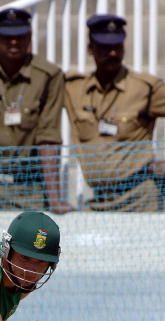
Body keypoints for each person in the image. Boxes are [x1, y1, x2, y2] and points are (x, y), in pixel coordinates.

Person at [0, 7, 73, 214]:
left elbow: (48, 137)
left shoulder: (48, 75)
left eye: (20, 37)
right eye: (6, 37)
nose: (13, 42)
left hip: (32, 191)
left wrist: (55, 201)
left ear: (29, 37)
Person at [65, 14, 165, 211]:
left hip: (140, 198)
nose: (112, 53)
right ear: (90, 49)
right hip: (97, 200)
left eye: (117, 47)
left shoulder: (145, 88)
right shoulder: (73, 89)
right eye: (104, 48)